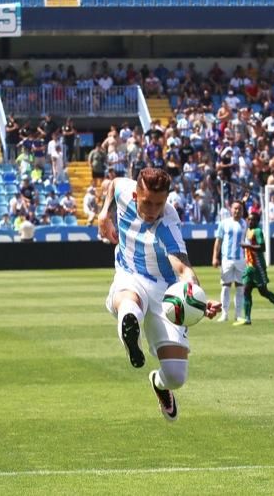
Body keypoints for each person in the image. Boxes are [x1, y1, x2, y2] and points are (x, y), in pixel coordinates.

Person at [98, 168, 222, 422]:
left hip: (167, 293)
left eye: (160, 203)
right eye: (147, 202)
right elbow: (112, 184)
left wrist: (198, 297)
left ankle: (159, 384)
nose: (154, 209)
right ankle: (131, 334)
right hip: (129, 274)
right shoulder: (124, 189)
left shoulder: (168, 225)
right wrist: (103, 214)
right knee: (129, 304)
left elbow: (183, 268)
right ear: (135, 194)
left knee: (176, 376)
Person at [234, 212, 274, 326]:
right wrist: (244, 202)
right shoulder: (248, 229)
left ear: (257, 222)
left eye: (253, 220)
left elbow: (262, 247)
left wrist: (247, 246)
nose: (250, 221)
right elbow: (246, 214)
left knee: (263, 292)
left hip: (257, 266)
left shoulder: (258, 231)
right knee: (246, 290)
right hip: (249, 266)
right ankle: (247, 318)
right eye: (249, 220)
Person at [211, 201, 248, 323]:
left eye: (240, 209)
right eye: (235, 208)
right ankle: (224, 314)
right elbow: (218, 240)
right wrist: (215, 257)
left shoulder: (245, 224)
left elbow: (247, 242)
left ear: (242, 211)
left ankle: (238, 315)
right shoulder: (224, 223)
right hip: (226, 259)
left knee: (240, 287)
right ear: (231, 209)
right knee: (226, 286)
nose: (237, 211)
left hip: (240, 260)